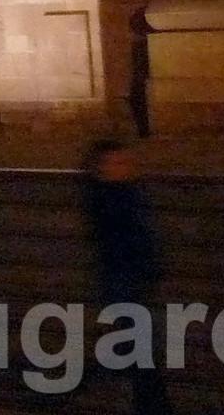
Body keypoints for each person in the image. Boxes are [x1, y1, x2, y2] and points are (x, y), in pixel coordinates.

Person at [82, 138, 171, 415]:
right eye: (116, 163)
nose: (125, 167)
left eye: (126, 161)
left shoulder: (124, 194)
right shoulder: (113, 199)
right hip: (124, 281)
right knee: (139, 349)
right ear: (100, 169)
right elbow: (128, 241)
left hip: (130, 280)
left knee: (136, 348)